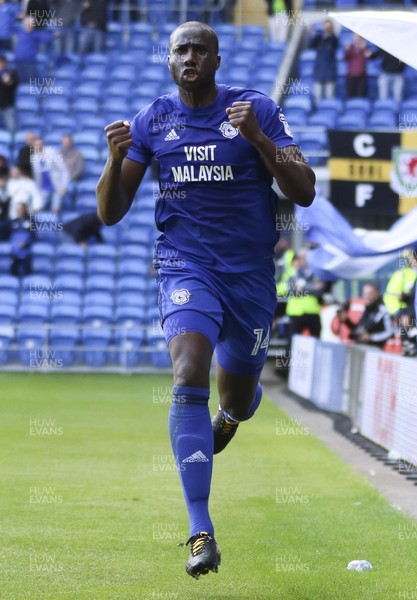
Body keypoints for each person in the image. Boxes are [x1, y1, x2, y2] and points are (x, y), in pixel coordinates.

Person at [97, 21, 315, 579]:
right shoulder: (154, 120)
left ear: (216, 60)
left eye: (199, 49)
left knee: (237, 394)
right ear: (169, 60)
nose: (189, 57)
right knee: (188, 370)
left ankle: (232, 415)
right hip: (184, 266)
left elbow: (304, 191)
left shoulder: (255, 108)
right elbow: (111, 211)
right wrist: (110, 161)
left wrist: (260, 143)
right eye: (180, 50)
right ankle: (201, 531)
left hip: (249, 278)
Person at [281, 249, 327, 339]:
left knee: (315, 340)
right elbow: (290, 290)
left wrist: (303, 288)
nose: (303, 260)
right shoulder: (293, 272)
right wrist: (311, 287)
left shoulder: (317, 273)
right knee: (293, 342)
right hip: (295, 312)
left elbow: (320, 290)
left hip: (312, 311)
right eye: (300, 258)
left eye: (305, 258)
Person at [333, 283, 393, 348]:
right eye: (365, 294)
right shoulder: (366, 310)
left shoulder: (382, 311)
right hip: (360, 346)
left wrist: (371, 337)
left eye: (370, 294)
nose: (366, 296)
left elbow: (390, 332)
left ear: (376, 294)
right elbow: (359, 330)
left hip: (374, 350)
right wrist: (346, 321)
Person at [30, 136, 70, 213]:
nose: (38, 146)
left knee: (55, 208)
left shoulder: (52, 152)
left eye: (40, 144)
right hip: (43, 187)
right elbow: (36, 176)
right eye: (36, 145)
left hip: (56, 186)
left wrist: (64, 186)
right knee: (37, 208)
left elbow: (63, 170)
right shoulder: (34, 157)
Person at [309, 19, 338, 106]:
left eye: (329, 27)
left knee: (330, 96)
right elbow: (312, 45)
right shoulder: (319, 38)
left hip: (330, 71)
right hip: (319, 70)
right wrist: (313, 35)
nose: (327, 28)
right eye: (326, 26)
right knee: (317, 95)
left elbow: (334, 44)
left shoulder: (334, 39)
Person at [10, 201, 34, 276]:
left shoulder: (31, 222)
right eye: (17, 209)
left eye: (20, 208)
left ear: (24, 209)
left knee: (27, 275)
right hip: (14, 252)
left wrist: (26, 243)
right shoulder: (12, 222)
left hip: (26, 253)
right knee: (13, 275)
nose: (18, 210)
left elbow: (34, 236)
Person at [344, 34, 371, 98]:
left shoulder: (365, 47)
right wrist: (347, 50)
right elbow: (346, 58)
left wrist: (365, 48)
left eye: (359, 36)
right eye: (355, 36)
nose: (357, 38)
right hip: (351, 75)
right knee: (350, 96)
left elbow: (368, 57)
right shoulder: (351, 47)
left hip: (361, 75)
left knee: (360, 96)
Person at [0, 55, 19, 133]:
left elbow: (10, 83)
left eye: (2, 63)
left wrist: (2, 74)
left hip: (8, 106)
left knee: (11, 129)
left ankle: (13, 144)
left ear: (5, 63)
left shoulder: (12, 73)